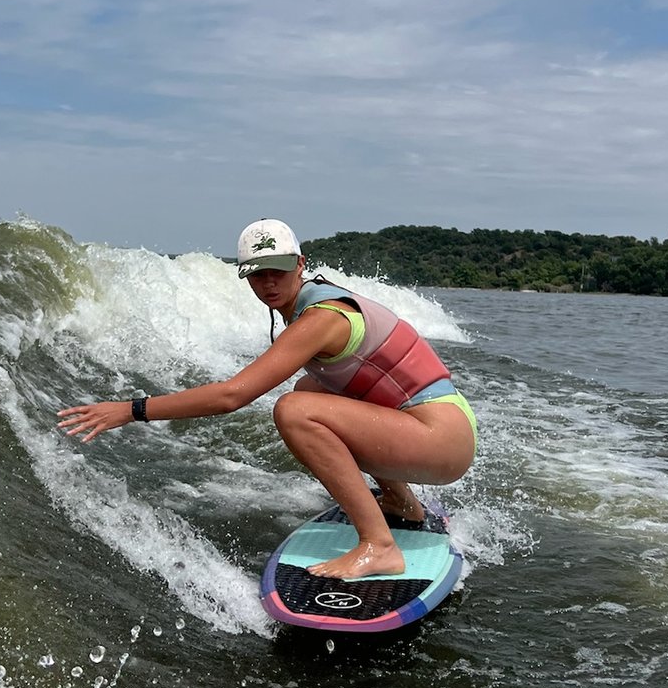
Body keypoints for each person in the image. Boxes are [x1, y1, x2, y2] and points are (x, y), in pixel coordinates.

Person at [57, 219, 477, 580]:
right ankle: (403, 504)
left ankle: (379, 546)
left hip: (442, 439)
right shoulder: (316, 299)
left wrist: (131, 411)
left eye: (277, 270)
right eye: (258, 274)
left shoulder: (322, 317)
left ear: (300, 263)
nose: (269, 283)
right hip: (440, 425)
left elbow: (231, 395)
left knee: (294, 412)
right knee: (308, 391)